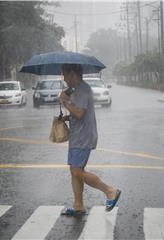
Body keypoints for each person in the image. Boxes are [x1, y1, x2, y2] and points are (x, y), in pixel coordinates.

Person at [59, 64, 121, 216]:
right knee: (75, 171)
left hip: (82, 138)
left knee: (77, 172)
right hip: (79, 136)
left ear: (72, 73)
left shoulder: (81, 89)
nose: (64, 78)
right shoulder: (78, 89)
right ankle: (78, 206)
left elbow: (79, 113)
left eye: (65, 74)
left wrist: (65, 102)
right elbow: (79, 113)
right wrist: (66, 117)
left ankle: (110, 191)